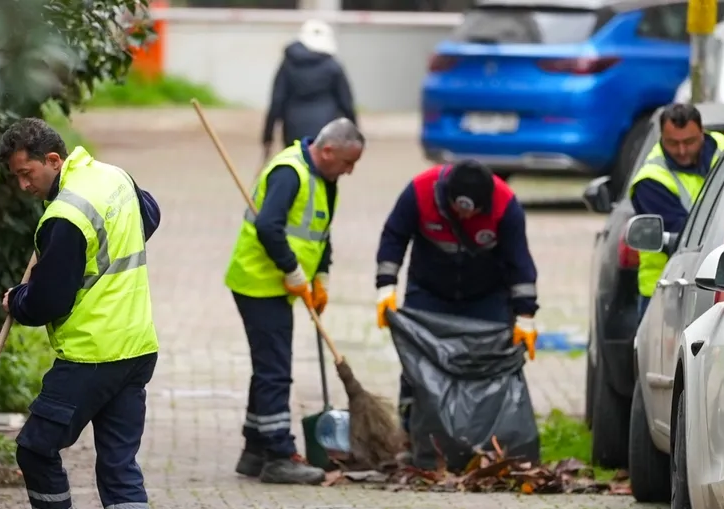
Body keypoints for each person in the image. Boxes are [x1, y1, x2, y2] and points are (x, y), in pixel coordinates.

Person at [0, 118, 164, 509]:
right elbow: (150, 215)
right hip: (136, 347)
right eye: (17, 178)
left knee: (35, 448)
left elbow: (47, 301)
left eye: (28, 174)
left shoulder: (65, 215)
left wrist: (17, 299)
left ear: (53, 161)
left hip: (94, 354)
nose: (25, 186)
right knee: (118, 467)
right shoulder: (113, 178)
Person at [225, 117, 365, 485]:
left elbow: (320, 231)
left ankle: (254, 450)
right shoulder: (290, 172)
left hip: (278, 284)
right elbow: (268, 226)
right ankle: (278, 455)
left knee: (267, 367)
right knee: (275, 371)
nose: (350, 172)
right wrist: (292, 270)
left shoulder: (325, 179)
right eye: (348, 163)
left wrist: (321, 276)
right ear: (328, 150)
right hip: (259, 282)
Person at [374, 159, 539, 437]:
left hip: (486, 294)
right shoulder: (420, 191)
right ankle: (413, 432)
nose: (465, 218)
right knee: (419, 364)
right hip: (429, 291)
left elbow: (518, 261)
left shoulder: (505, 205)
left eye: (473, 212)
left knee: (489, 365)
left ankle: (487, 435)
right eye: (459, 211)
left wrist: (525, 316)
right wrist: (386, 286)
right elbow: (394, 235)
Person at [630, 104, 724, 317]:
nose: (682, 150)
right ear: (661, 137)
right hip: (664, 290)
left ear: (702, 132)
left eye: (689, 142)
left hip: (723, 284)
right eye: (673, 143)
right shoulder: (652, 179)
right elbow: (686, 239)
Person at [261, 19, 358, 162]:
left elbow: (277, 100)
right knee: (324, 172)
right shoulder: (333, 66)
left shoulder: (288, 64)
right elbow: (346, 102)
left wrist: (267, 135)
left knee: (295, 169)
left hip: (293, 129)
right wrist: (354, 133)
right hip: (326, 131)